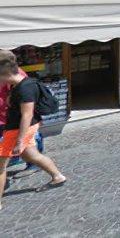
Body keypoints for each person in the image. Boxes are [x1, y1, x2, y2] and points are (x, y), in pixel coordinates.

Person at [0, 50, 65, 209]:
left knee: (0, 166)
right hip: (20, 127)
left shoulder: (25, 88)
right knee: (32, 155)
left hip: (17, 130)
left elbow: (26, 115)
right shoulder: (19, 83)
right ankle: (58, 176)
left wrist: (19, 141)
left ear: (5, 73)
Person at [0, 66, 45, 182]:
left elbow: (27, 101)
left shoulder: (14, 73)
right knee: (27, 149)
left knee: (30, 143)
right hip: (6, 118)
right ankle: (56, 175)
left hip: (13, 118)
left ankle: (33, 165)